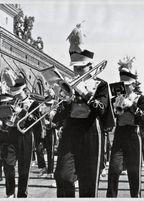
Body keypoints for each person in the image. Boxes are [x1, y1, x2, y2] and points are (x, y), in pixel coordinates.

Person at [53, 25, 114, 197]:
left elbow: (101, 110)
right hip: (70, 133)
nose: (78, 71)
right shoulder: (70, 85)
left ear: (90, 67)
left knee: (88, 185)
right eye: (75, 68)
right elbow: (59, 118)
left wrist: (84, 92)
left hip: (91, 134)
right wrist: (63, 101)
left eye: (81, 68)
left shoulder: (101, 85)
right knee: (63, 176)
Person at [106, 56, 144, 198]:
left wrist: (132, 106)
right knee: (113, 170)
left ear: (133, 84)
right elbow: (110, 115)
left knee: (134, 172)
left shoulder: (140, 99)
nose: (125, 87)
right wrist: (115, 104)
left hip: (133, 135)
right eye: (123, 84)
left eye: (128, 84)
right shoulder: (117, 97)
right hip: (119, 134)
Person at [0, 75, 42, 198]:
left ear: (24, 91)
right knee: (8, 165)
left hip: (26, 136)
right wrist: (5, 115)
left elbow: (36, 120)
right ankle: (10, 193)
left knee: (24, 170)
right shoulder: (11, 101)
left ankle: (22, 195)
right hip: (11, 135)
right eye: (15, 95)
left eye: (18, 94)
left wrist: (22, 112)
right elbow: (4, 118)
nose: (16, 97)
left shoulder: (33, 103)